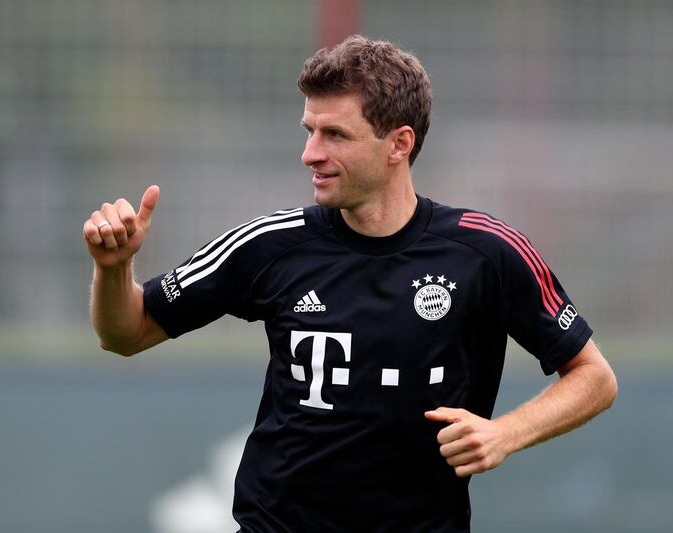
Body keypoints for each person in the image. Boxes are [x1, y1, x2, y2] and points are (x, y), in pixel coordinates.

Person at [83, 35, 617, 532]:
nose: (310, 153)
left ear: (398, 144)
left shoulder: (485, 252)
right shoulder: (270, 244)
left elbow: (593, 376)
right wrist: (114, 269)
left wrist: (506, 433)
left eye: (334, 134)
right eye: (309, 131)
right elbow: (127, 332)